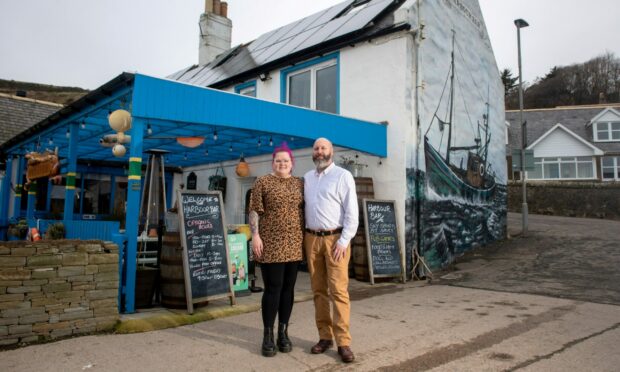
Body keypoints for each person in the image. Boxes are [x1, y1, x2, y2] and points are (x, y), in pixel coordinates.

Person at [304, 137, 359, 363]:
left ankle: (343, 342)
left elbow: (352, 213)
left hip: (335, 239)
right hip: (312, 239)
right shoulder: (307, 178)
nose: (319, 152)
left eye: (323, 148)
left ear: (331, 151)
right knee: (318, 291)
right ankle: (324, 337)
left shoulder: (343, 176)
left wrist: (344, 241)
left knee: (338, 291)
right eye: (316, 148)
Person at [249, 142, 304, 357]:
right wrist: (255, 235)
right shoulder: (263, 181)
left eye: (286, 161)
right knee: (273, 288)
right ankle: (268, 335)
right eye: (278, 160)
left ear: (292, 164)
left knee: (288, 289)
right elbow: (254, 211)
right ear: (273, 163)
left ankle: (283, 332)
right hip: (270, 242)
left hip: (294, 243)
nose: (282, 163)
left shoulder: (300, 184)